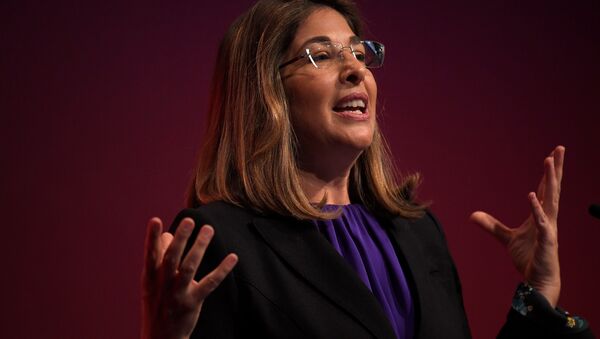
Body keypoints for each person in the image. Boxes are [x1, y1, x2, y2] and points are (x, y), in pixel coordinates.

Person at [141, 0, 594, 338]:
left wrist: (539, 289)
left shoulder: (417, 232)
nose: (356, 69)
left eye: (360, 53)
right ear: (264, 93)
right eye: (322, 54)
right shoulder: (216, 240)